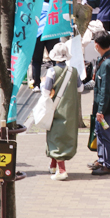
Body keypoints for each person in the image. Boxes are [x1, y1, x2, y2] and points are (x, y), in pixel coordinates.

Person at [42, 42, 81, 181]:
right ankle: (53, 165)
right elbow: (80, 89)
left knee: (56, 136)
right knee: (62, 136)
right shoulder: (74, 71)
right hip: (70, 111)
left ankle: (62, 170)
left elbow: (46, 92)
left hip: (55, 109)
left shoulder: (51, 71)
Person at [90, 33, 110, 176]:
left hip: (106, 108)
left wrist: (101, 110)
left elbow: (105, 89)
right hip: (104, 107)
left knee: (107, 135)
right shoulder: (109, 57)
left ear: (97, 44)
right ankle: (102, 160)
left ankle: (108, 164)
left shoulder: (108, 62)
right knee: (101, 133)